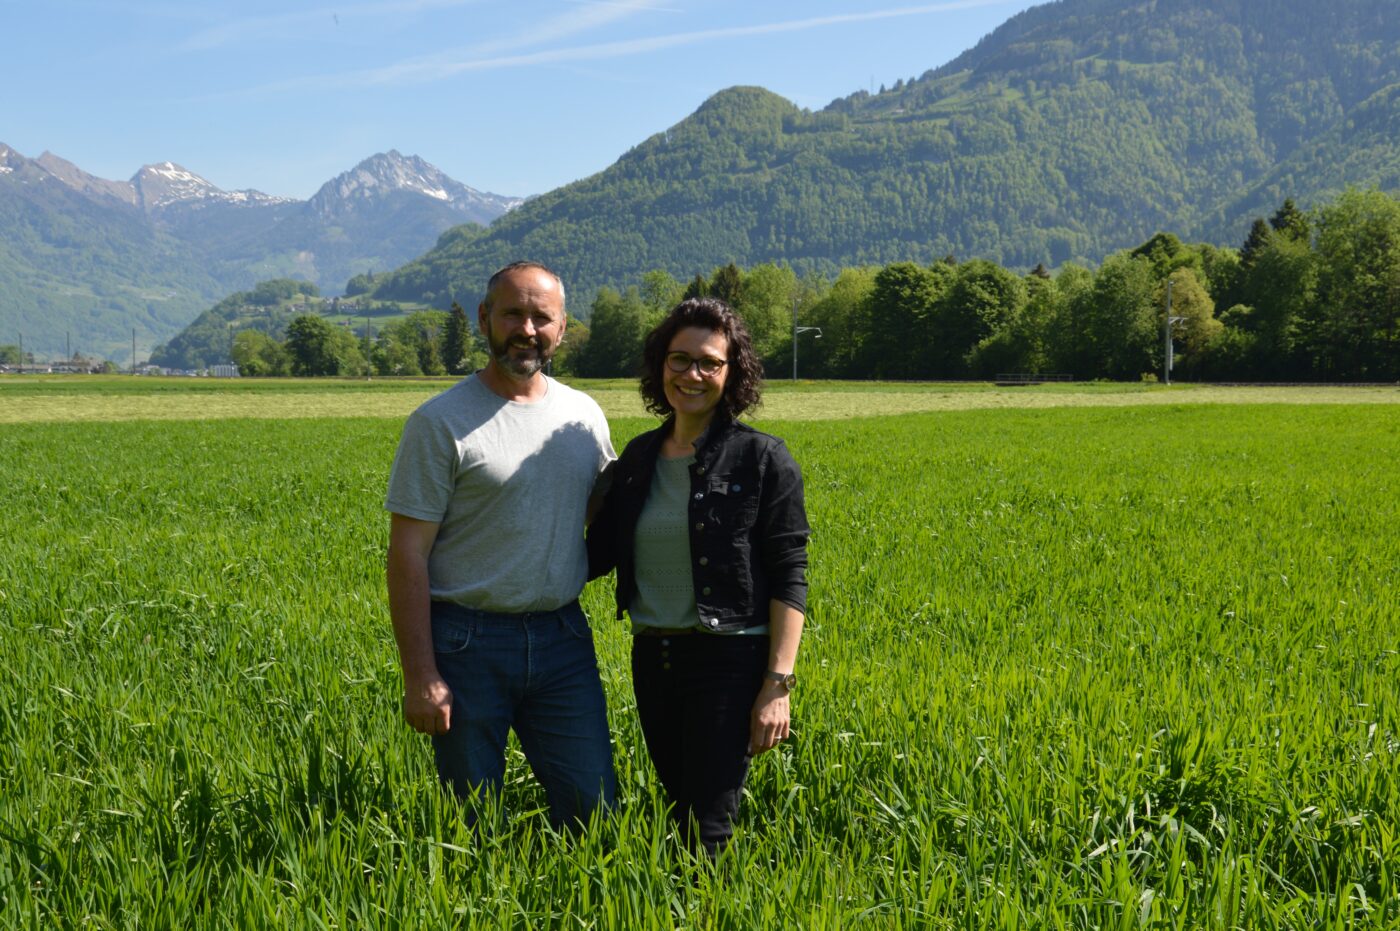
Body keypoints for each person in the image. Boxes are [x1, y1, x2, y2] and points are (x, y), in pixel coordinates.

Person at [384, 261, 616, 829]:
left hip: (563, 639)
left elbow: (605, 515)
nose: (527, 329)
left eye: (543, 317)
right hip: (466, 643)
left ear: (564, 328)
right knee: (471, 820)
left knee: (597, 813)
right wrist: (421, 675)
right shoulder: (439, 422)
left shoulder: (583, 416)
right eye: (513, 313)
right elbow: (407, 554)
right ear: (486, 319)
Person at [587, 297, 810, 855]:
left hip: (728, 661)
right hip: (654, 658)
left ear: (733, 374)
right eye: (679, 359)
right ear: (660, 365)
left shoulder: (762, 459)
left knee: (707, 828)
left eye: (710, 362)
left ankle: (705, 908)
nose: (692, 374)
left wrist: (776, 685)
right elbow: (595, 555)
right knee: (680, 806)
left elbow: (790, 575)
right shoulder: (637, 460)